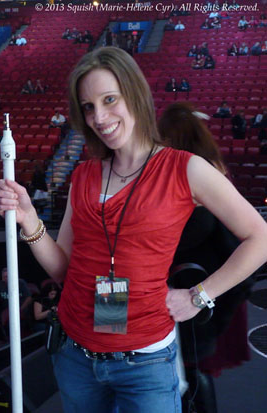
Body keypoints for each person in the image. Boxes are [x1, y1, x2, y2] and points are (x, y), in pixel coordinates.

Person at [0, 46, 267, 413]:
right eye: (88, 107)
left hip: (146, 362)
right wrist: (30, 219)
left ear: (134, 94)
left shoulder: (186, 169)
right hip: (75, 356)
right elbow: (64, 269)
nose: (99, 117)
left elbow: (260, 237)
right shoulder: (84, 175)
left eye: (109, 100)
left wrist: (199, 296)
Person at [158, 102, 255, 413]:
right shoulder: (181, 174)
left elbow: (250, 251)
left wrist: (201, 300)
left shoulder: (204, 179)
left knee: (191, 376)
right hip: (185, 306)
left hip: (196, 306)